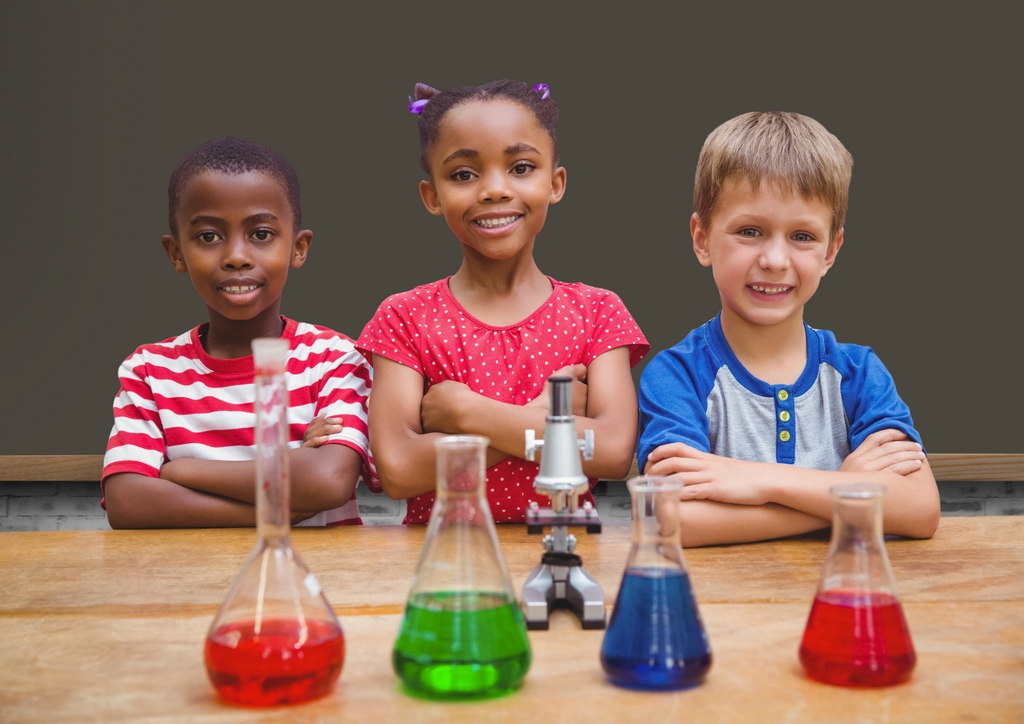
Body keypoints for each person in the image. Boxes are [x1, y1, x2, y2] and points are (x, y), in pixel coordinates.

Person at [638, 112, 940, 546]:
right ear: (702, 238)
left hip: (841, 606)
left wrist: (760, 481)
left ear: (831, 251)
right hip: (723, 612)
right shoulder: (676, 376)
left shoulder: (858, 372)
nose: (776, 260)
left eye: (802, 236)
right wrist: (845, 494)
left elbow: (919, 509)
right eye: (750, 231)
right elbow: (667, 521)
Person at [356, 80, 648, 524]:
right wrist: (545, 418)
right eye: (463, 175)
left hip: (568, 560)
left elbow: (609, 452)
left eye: (521, 167)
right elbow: (398, 470)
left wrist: (466, 412)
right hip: (442, 569)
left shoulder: (598, 311)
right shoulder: (404, 317)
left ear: (556, 183)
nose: (494, 189)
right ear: (432, 195)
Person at [102, 137, 374, 528]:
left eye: (261, 234)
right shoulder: (149, 370)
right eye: (208, 236)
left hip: (318, 582)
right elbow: (127, 502)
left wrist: (182, 471)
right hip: (190, 586)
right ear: (176, 253)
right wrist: (282, 500)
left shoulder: (334, 358)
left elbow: (326, 481)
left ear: (298, 248)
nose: (236, 257)